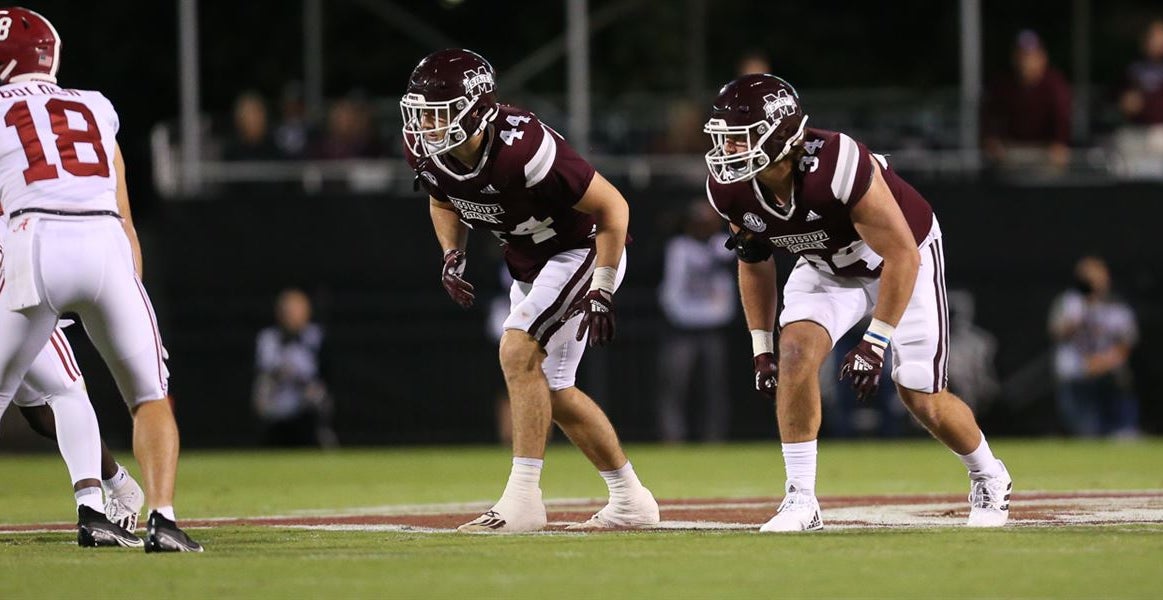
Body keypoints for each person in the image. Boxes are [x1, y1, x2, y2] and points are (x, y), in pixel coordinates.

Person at [702, 73, 1011, 532]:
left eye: (740, 137)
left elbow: (901, 254)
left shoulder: (838, 163)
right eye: (724, 139)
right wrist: (760, 347)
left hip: (901, 257)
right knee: (795, 354)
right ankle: (800, 499)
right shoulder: (730, 190)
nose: (727, 150)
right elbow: (754, 262)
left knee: (918, 390)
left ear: (781, 133)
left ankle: (989, 475)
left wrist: (875, 342)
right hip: (825, 266)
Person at [401, 48, 658, 532]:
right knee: (553, 391)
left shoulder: (525, 147)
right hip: (530, 267)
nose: (427, 125)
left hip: (583, 250)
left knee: (517, 349)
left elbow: (614, 209)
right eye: (421, 113)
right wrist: (451, 253)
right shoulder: (424, 148)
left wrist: (602, 286)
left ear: (476, 108)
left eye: (439, 112)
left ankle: (522, 501)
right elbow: (442, 198)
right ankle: (632, 501)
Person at [0, 8, 201, 551]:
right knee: (148, 397)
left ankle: (102, 498)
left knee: (37, 391)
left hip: (33, 241)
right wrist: (126, 293)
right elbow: (123, 209)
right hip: (106, 244)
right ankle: (163, 518)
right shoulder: (95, 106)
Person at [9, 324, 144, 547]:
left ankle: (95, 507)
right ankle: (116, 486)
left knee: (62, 395)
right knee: (42, 414)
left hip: (18, 309)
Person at [656, 201, 736, 442]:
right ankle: (672, 437)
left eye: (708, 224)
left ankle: (715, 437)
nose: (703, 229)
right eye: (698, 224)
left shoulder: (723, 246)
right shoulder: (678, 247)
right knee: (674, 386)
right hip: (681, 328)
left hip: (714, 327)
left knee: (715, 387)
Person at [1048, 256, 1139, 437]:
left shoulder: (1117, 305)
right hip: (1077, 373)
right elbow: (1056, 333)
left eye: (1098, 277)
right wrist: (1081, 312)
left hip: (1108, 374)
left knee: (1122, 432)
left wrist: (1102, 362)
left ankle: (1123, 429)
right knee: (1086, 431)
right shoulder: (1070, 303)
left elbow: (1127, 343)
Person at [253, 288, 337, 448]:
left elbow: (323, 375)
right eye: (287, 311)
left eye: (296, 310)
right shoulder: (268, 339)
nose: (291, 315)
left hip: (305, 406)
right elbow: (266, 371)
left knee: (318, 395)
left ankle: (322, 436)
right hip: (277, 403)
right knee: (262, 388)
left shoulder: (316, 337)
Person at [981, 30, 1072, 170]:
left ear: (1042, 58)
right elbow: (990, 117)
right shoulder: (1002, 85)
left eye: (1030, 56)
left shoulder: (1055, 84)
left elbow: (1062, 117)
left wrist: (1059, 142)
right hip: (1012, 152)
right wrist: (992, 140)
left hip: (1045, 152)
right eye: (1022, 55)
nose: (1025, 62)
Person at [1119, 19, 1163, 126]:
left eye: (1157, 37)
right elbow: (1124, 99)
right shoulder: (1134, 69)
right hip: (1138, 128)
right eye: (1150, 37)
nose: (1152, 42)